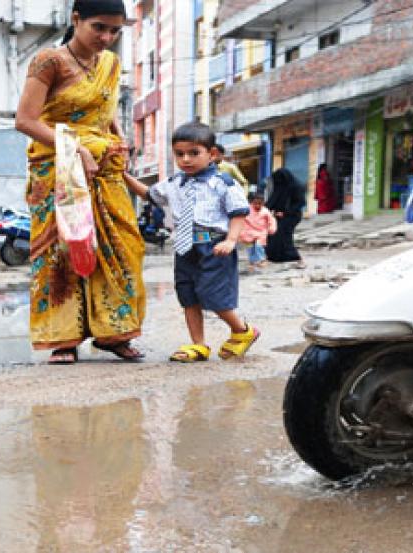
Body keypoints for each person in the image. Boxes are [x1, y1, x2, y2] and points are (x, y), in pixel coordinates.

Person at [15, 0, 146, 365]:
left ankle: (113, 332)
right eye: (99, 27)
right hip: (57, 168)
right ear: (76, 20)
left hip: (104, 167)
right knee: (63, 251)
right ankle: (63, 339)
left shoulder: (111, 63)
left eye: (115, 31)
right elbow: (25, 120)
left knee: (123, 247)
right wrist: (73, 149)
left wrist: (119, 137)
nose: (107, 37)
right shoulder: (49, 61)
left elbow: (103, 114)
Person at [123, 122, 261, 363]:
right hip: (185, 247)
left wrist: (231, 240)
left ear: (212, 154)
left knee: (213, 295)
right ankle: (199, 345)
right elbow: (149, 194)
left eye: (194, 153)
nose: (186, 159)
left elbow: (238, 213)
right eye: (180, 154)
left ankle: (242, 331)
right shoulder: (174, 183)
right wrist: (123, 176)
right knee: (188, 295)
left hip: (214, 247)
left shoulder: (223, 183)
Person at [265, 168, 307, 267]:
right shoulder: (280, 185)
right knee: (272, 234)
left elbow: (300, 202)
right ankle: (275, 257)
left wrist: (285, 212)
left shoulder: (296, 186)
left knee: (284, 235)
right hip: (278, 216)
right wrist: (263, 209)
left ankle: (294, 257)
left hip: (292, 216)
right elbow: (273, 199)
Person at [239, 192, 277, 273]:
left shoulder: (265, 211)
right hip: (249, 232)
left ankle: (262, 259)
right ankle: (252, 262)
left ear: (263, 203)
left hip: (261, 232)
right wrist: (241, 231)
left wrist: (272, 228)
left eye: (260, 204)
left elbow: (271, 220)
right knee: (250, 248)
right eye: (255, 203)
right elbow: (241, 219)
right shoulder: (247, 210)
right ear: (251, 202)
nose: (257, 206)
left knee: (259, 246)